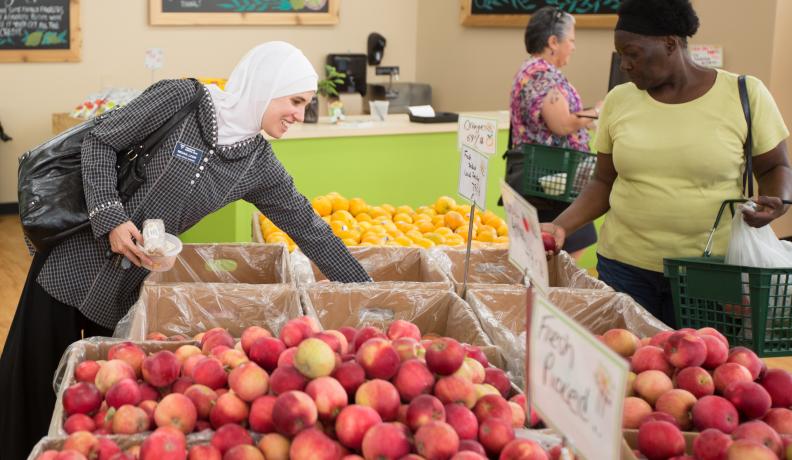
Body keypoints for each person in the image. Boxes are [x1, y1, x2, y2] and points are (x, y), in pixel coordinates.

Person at [0, 41, 371, 458]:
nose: (299, 115)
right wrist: (111, 218)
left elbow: (309, 227)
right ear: (267, 87)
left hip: (124, 293)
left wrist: (367, 292)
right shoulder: (182, 100)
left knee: (93, 402)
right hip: (69, 265)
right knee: (28, 386)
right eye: (295, 101)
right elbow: (100, 143)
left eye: (306, 105)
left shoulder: (258, 163)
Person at [542, 0, 791, 327]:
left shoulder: (745, 94)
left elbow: (775, 166)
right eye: (621, 56)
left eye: (633, 53)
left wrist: (777, 202)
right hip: (624, 269)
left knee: (700, 370)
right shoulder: (620, 100)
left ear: (670, 44)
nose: (626, 65)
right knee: (625, 368)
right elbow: (603, 181)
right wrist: (561, 226)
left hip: (709, 274)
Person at [508, 6, 600, 261]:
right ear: (552, 42)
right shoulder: (542, 75)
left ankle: (546, 294)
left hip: (550, 181)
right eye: (571, 40)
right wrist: (597, 112)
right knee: (564, 244)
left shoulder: (533, 71)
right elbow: (561, 123)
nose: (573, 46)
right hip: (549, 182)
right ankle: (548, 296)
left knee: (562, 245)